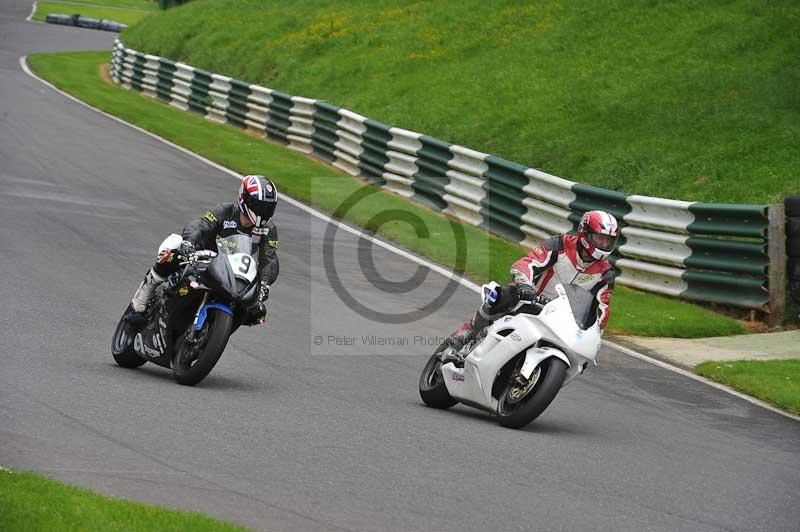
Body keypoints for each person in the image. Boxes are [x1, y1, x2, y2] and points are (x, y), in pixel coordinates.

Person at [445, 210, 620, 356]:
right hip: (530, 298)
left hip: (563, 320)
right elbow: (527, 263)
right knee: (501, 294)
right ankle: (469, 331)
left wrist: (593, 338)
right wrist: (525, 284)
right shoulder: (560, 244)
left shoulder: (606, 273)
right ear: (585, 233)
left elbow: (602, 310)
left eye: (608, 241)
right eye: (600, 238)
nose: (604, 244)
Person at [129, 175, 279, 329]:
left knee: (255, 311)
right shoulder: (225, 211)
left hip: (235, 277)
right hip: (202, 260)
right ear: (245, 199)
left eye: (268, 208)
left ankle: (213, 332)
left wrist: (265, 283)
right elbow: (201, 225)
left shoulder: (268, 229)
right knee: (174, 245)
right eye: (260, 206)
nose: (263, 211)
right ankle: (144, 293)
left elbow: (269, 258)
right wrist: (189, 243)